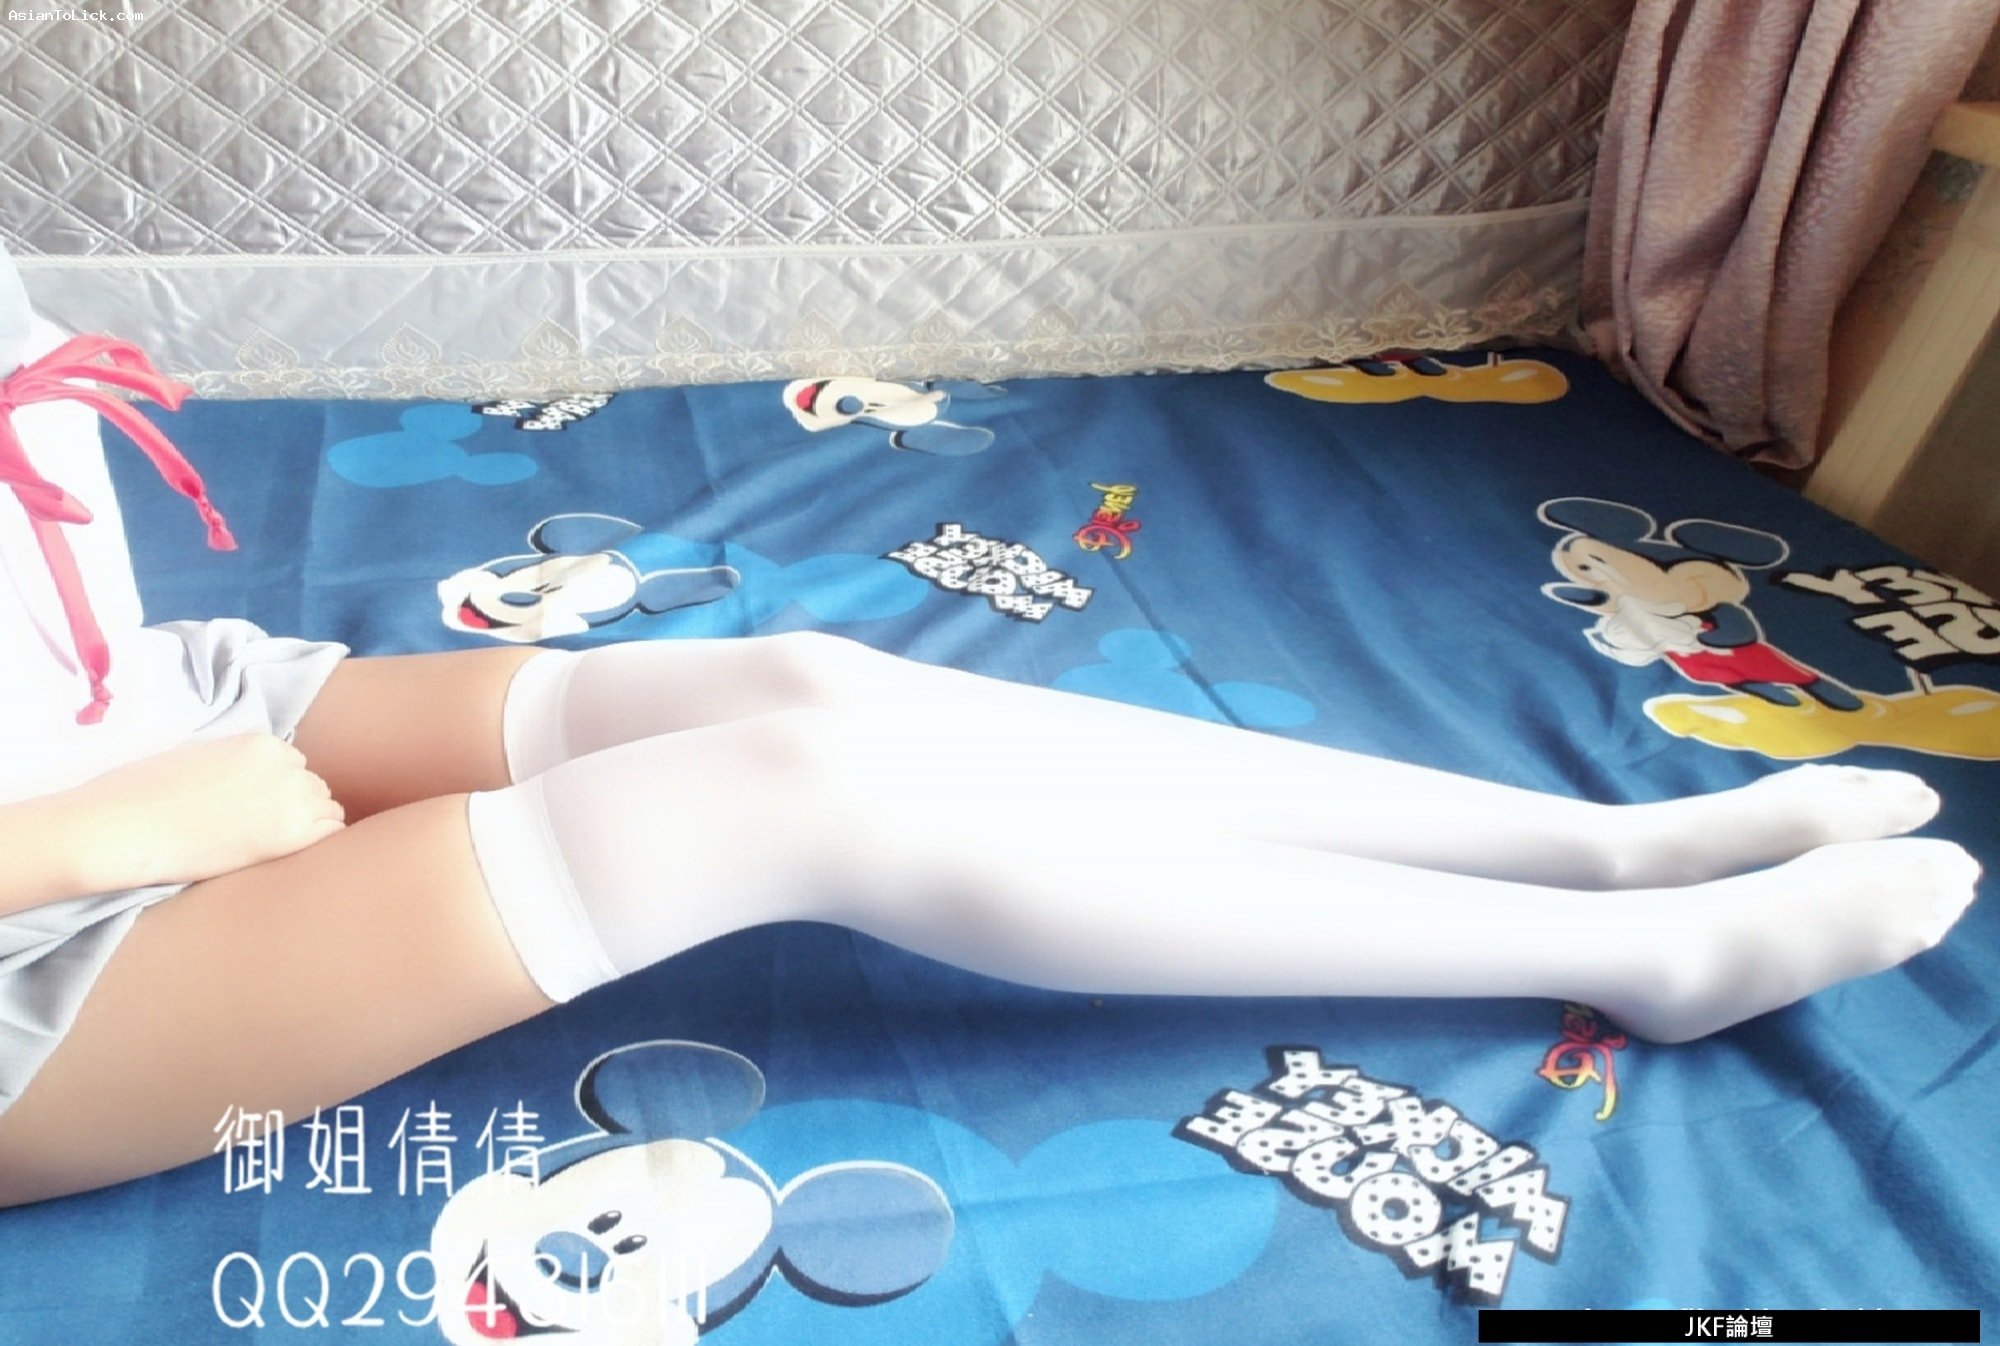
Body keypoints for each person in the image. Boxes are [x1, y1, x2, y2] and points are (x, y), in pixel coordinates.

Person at [0, 273, 1978, 1210]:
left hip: (148, 706)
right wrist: (109, 840)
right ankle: (1634, 950)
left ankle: (1605, 848)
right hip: (38, 936)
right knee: (793, 798)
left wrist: (151, 757)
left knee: (809, 688)